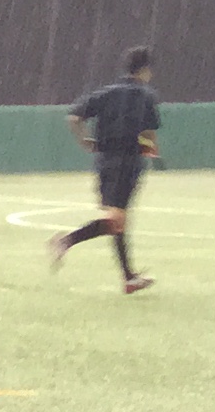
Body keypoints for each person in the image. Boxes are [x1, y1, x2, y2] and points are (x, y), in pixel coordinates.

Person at [54, 47, 160, 294]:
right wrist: (151, 153)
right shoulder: (146, 96)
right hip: (128, 162)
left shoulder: (107, 93)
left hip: (104, 162)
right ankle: (65, 241)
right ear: (145, 70)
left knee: (117, 220)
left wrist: (85, 141)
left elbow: (74, 117)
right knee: (116, 220)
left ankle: (129, 278)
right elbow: (148, 133)